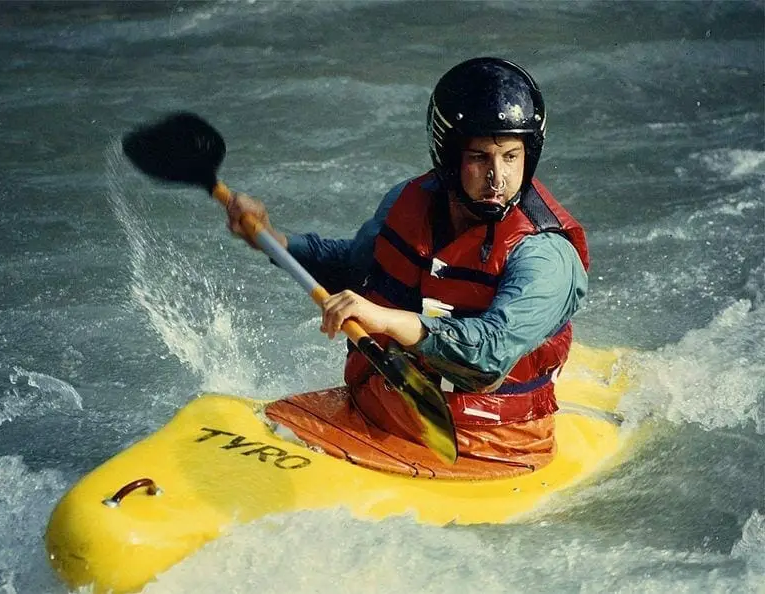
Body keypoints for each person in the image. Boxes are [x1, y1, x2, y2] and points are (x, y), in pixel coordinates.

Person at [225, 57, 589, 478]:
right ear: (449, 156)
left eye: (511, 157)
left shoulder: (544, 254)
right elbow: (359, 269)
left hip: (487, 450)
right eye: (479, 158)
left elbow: (488, 357)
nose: (497, 178)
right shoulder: (410, 201)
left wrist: (383, 319)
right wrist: (273, 239)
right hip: (377, 410)